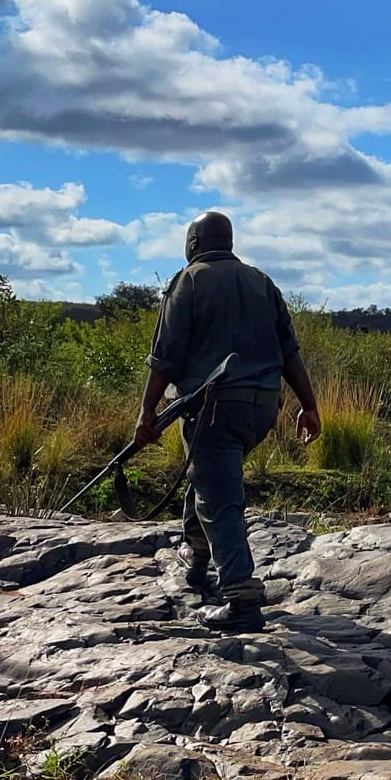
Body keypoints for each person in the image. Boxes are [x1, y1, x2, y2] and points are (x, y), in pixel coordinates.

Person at [135, 210, 320, 631]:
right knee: (209, 476)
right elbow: (289, 352)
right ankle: (197, 554)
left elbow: (164, 358)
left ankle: (240, 599)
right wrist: (308, 406)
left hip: (213, 408)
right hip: (260, 410)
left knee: (220, 500)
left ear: (195, 243)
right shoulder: (262, 283)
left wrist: (146, 412)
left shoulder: (189, 281)